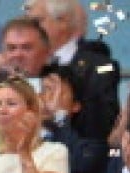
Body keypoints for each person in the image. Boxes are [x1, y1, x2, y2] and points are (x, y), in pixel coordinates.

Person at [23, 0, 119, 142]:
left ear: (62, 22)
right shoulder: (22, 64)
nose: (29, 29)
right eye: (26, 23)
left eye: (37, 21)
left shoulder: (100, 66)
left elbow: (101, 125)